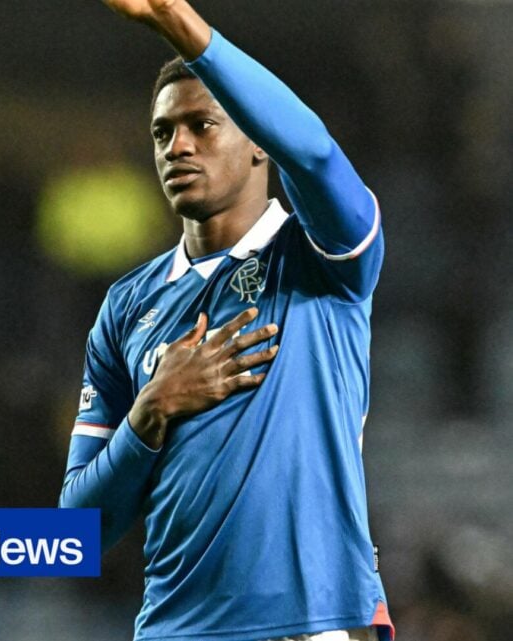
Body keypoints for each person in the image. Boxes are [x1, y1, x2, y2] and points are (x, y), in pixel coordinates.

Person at [58, 2, 393, 640]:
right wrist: (150, 413)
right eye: (161, 133)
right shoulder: (126, 307)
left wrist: (180, 22)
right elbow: (73, 536)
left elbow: (318, 156)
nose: (176, 146)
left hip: (310, 625)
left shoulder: (323, 260)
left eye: (202, 125)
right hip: (173, 630)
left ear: (259, 141)